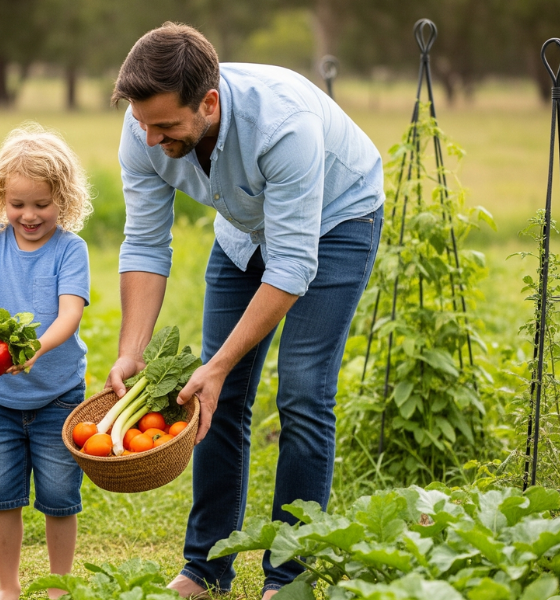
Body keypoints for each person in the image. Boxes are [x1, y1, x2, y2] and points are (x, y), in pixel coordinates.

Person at [104, 23, 385, 599]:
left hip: (335, 223)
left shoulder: (284, 127)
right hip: (243, 231)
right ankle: (205, 569)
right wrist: (131, 352)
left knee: (303, 393)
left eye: (166, 127)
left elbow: (290, 267)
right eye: (142, 125)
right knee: (213, 399)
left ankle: (290, 576)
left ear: (208, 103)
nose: (151, 140)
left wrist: (221, 361)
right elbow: (145, 245)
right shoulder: (144, 130)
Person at [0, 125, 94, 600]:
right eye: (18, 204)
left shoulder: (70, 249)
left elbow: (70, 314)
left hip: (58, 399)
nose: (29, 215)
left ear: (65, 199)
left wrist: (37, 347)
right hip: (0, 399)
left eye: (42, 204)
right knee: (2, 497)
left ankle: (58, 588)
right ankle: (8, 589)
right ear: (0, 198)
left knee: (59, 499)